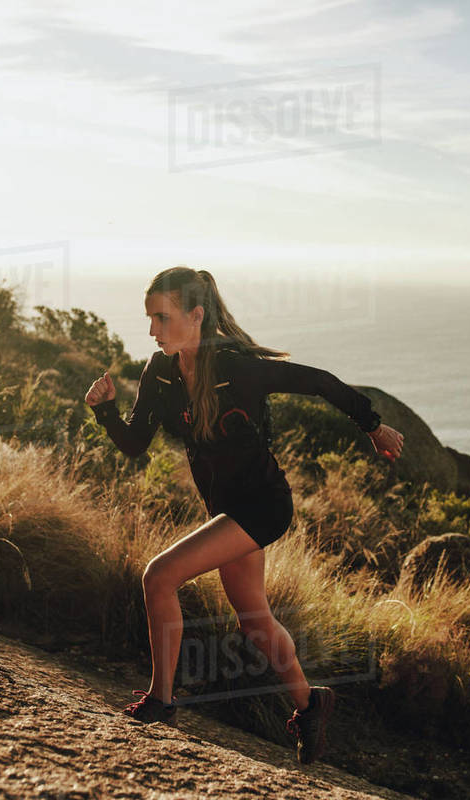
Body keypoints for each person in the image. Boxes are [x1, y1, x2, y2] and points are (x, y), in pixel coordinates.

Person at [83, 266, 404, 764]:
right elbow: (135, 443)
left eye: (161, 318)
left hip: (262, 505)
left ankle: (161, 702)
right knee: (255, 620)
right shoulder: (160, 371)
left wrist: (373, 425)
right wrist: (105, 411)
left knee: (159, 576)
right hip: (226, 510)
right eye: (149, 319)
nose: (151, 330)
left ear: (196, 315)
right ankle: (311, 702)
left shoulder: (239, 366)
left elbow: (318, 382)